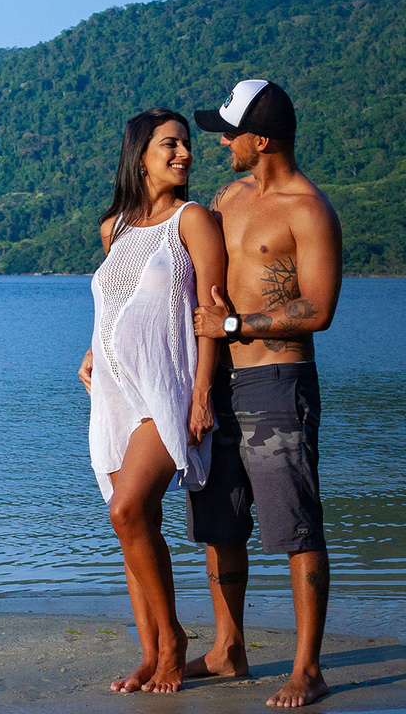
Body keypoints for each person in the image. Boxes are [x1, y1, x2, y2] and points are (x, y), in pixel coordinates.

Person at [185, 80, 343, 708]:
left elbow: (319, 309)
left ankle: (308, 668)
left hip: (278, 381)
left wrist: (234, 326)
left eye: (231, 131)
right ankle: (228, 649)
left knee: (295, 526)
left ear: (263, 138)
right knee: (220, 523)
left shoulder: (309, 210)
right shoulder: (227, 195)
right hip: (216, 384)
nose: (222, 142)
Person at [77, 108, 226, 694]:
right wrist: (89, 350)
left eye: (187, 145)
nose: (184, 154)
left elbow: (210, 317)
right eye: (170, 144)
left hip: (165, 390)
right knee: (131, 526)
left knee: (126, 510)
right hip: (114, 391)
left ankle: (175, 643)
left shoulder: (194, 221)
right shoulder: (114, 227)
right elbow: (112, 301)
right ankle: (151, 651)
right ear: (140, 154)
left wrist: (201, 394)